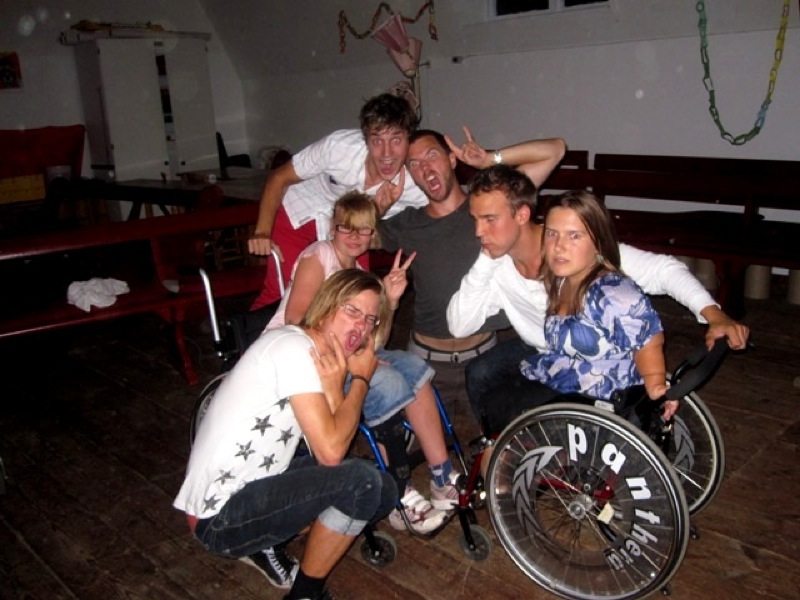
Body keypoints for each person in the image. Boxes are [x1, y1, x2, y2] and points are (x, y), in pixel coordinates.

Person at [446, 165, 750, 432]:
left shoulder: (580, 254)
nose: (478, 231)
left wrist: (714, 315)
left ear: (522, 214)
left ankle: (529, 452)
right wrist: (486, 259)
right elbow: (460, 326)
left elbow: (664, 271)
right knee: (480, 372)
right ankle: (498, 450)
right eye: (475, 219)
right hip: (547, 351)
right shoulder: (500, 266)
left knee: (511, 405)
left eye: (489, 219)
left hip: (594, 363)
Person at [174, 269, 397, 600]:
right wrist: (360, 382)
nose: (360, 326)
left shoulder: (321, 354)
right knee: (360, 483)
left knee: (383, 489)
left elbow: (333, 443)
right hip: (218, 517)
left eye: (370, 319)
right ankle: (304, 594)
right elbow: (331, 453)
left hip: (257, 486)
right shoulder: (294, 349)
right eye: (352, 310)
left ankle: (270, 541)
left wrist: (336, 388)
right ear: (326, 305)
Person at [266, 191, 455, 533]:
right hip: (301, 356)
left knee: (413, 368)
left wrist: (390, 302)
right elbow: (297, 320)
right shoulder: (318, 255)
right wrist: (357, 360)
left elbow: (374, 341)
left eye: (364, 229)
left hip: (342, 354)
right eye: (346, 227)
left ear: (372, 233)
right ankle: (398, 493)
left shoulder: (357, 271)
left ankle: (442, 476)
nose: (355, 236)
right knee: (387, 381)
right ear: (332, 227)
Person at [379, 128, 566, 374]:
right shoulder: (407, 223)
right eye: (414, 164)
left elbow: (555, 150)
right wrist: (377, 209)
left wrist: (489, 159)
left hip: (485, 357)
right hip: (426, 361)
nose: (425, 168)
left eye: (432, 155)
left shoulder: (490, 206)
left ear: (452, 159)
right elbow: (350, 236)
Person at [248, 93, 428, 310]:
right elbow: (279, 177)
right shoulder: (338, 147)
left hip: (351, 227)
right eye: (377, 141)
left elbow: (445, 212)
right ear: (365, 140)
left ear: (409, 140)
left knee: (356, 298)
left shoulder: (416, 183)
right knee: (285, 294)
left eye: (396, 140)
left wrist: (378, 210)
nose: (386, 153)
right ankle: (254, 331)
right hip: (302, 211)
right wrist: (262, 231)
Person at [515, 190, 675, 433]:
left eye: (574, 236)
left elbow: (648, 340)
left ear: (598, 242)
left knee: (503, 410)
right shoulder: (563, 279)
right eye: (552, 233)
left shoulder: (611, 293)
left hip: (602, 404)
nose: (559, 246)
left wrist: (655, 386)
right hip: (569, 386)